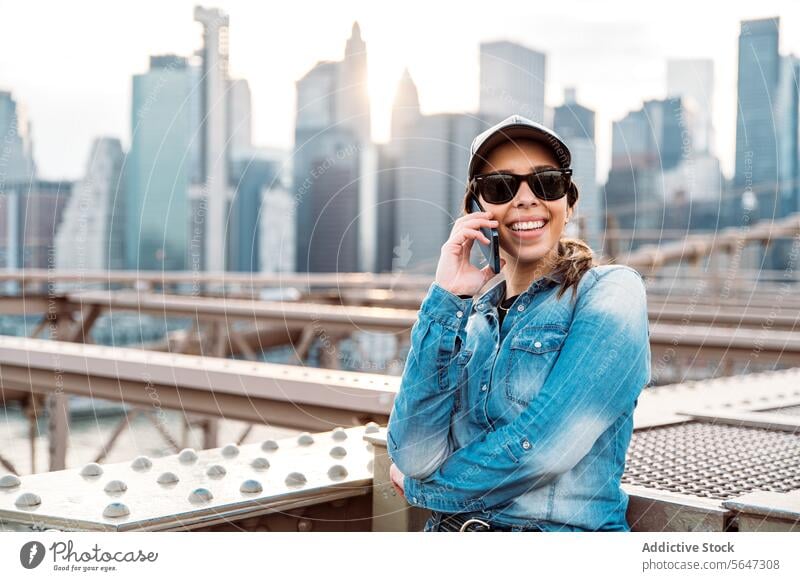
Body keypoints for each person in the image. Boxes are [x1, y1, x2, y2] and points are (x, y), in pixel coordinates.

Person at [386, 115, 651, 532]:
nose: (526, 199)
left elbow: (545, 447)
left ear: (570, 202)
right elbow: (415, 455)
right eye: (500, 187)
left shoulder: (612, 292)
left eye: (546, 182)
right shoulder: (467, 319)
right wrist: (446, 297)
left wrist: (425, 491)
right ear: (477, 210)